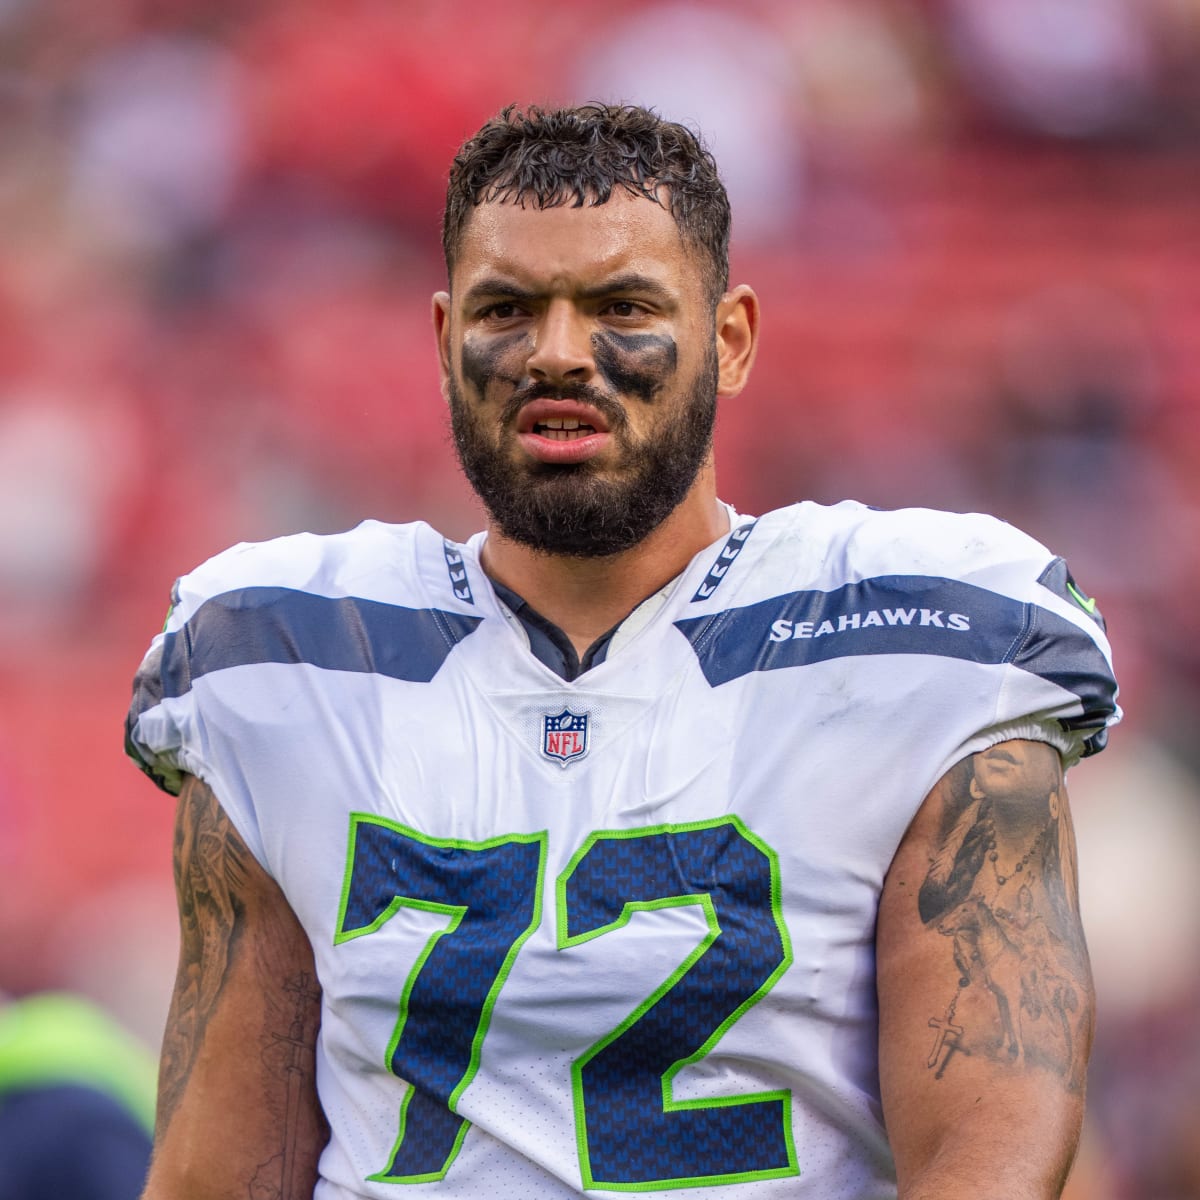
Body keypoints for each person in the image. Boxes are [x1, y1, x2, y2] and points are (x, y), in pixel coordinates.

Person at [125, 103, 1120, 1199]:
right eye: (509, 308)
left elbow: (990, 1148)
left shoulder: (918, 631)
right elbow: (221, 1169)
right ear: (447, 338)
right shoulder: (280, 654)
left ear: (729, 340)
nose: (558, 353)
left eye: (621, 306)